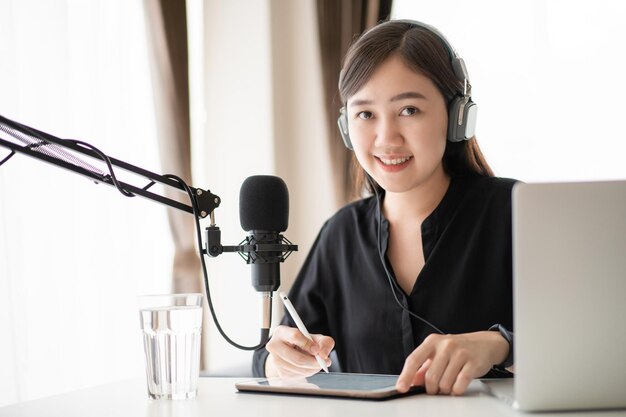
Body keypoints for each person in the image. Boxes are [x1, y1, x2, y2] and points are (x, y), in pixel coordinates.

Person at [253, 19, 516, 396]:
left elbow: (588, 339)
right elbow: (273, 355)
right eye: (365, 114)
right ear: (347, 126)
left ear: (457, 115)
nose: (385, 137)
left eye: (409, 110)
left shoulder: (513, 212)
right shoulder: (340, 234)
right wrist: (278, 361)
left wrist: (500, 345)